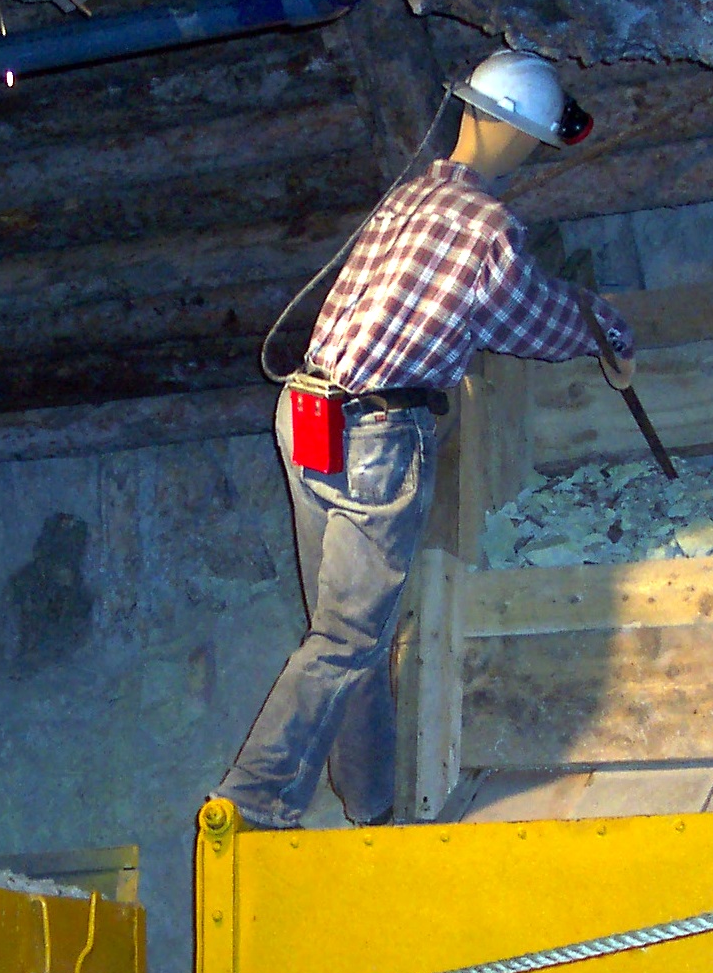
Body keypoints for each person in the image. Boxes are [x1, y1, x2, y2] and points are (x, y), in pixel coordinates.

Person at [208, 49, 636, 831]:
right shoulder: (486, 227)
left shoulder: (406, 198)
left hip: (307, 415)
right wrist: (606, 325)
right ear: (506, 129)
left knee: (344, 634)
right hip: (377, 435)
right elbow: (530, 318)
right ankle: (252, 803)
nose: (531, 151)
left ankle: (370, 805)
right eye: (533, 138)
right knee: (345, 637)